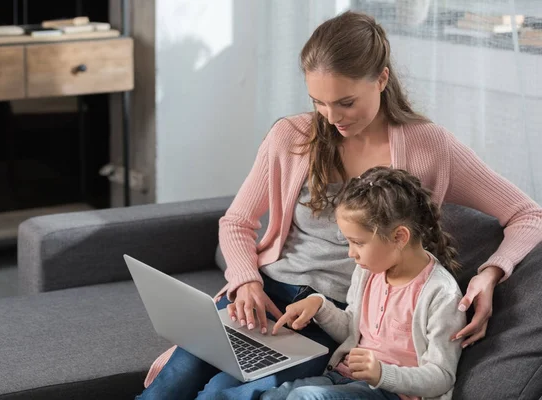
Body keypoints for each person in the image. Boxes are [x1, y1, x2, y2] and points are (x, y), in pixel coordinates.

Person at [138, 10, 542, 400]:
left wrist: (488, 275)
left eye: (346, 102)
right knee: (172, 383)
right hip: (262, 293)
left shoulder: (429, 147)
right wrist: (246, 281)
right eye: (319, 102)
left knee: (224, 395)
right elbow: (237, 222)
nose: (332, 117)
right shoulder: (291, 137)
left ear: (382, 78)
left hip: (327, 313)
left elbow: (528, 215)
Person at [261, 166, 465, 400]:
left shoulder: (440, 294)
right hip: (343, 378)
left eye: (357, 243)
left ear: (399, 237)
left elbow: (441, 376)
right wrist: (319, 305)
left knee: (306, 398)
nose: (351, 254)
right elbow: (353, 329)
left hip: (390, 393)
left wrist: (381, 373)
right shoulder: (368, 272)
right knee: (273, 397)